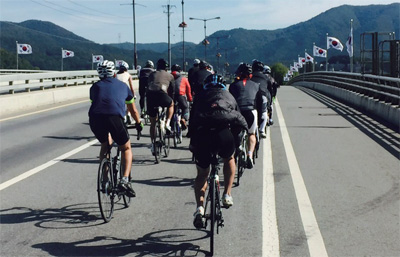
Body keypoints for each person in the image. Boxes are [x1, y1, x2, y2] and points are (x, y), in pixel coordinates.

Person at [189, 73, 247, 229]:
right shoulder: (229, 96)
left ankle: (199, 209)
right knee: (229, 158)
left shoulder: (200, 96)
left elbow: (192, 123)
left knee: (202, 174)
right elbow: (238, 120)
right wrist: (235, 141)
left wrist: (193, 145)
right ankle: (227, 194)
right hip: (223, 135)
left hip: (203, 137)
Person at [89, 60, 143, 197]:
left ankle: (105, 180)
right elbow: (133, 110)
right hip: (114, 118)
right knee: (126, 148)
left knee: (105, 144)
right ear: (113, 72)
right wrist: (138, 123)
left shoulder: (94, 87)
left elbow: (97, 103)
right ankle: (124, 180)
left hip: (95, 119)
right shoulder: (123, 86)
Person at [229, 63, 263, 169]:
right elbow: (260, 103)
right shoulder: (256, 85)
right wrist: (261, 117)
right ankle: (249, 154)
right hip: (250, 112)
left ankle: (237, 146)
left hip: (237, 112)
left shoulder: (233, 85)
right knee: (251, 134)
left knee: (235, 133)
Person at [146, 58, 175, 154]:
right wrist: (171, 99)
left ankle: (153, 144)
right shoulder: (170, 76)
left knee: (153, 123)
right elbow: (172, 91)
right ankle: (167, 123)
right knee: (171, 104)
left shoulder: (152, 74)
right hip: (162, 94)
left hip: (150, 96)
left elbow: (148, 85)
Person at [251, 60, 270, 138]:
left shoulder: (250, 76)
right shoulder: (266, 77)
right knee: (264, 111)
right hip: (263, 95)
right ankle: (262, 129)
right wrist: (270, 102)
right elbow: (270, 90)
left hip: (252, 95)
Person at [171, 64, 193, 129]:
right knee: (185, 108)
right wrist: (190, 99)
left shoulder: (169, 77)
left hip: (172, 96)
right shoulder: (184, 79)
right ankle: (184, 118)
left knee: (171, 110)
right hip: (181, 96)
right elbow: (188, 90)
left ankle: (171, 124)